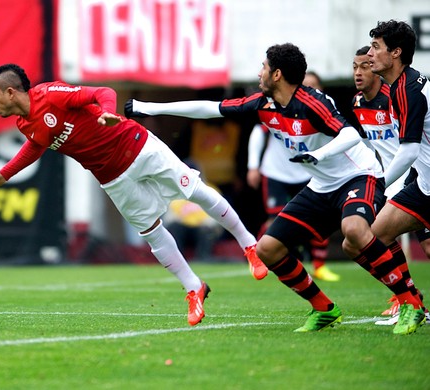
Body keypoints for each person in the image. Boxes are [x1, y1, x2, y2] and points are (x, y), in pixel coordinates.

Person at [125, 43, 425, 334]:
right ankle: (324, 309)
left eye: (264, 68)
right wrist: (148, 107)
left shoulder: (311, 102)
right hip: (321, 185)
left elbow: (349, 134)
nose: (259, 74)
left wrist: (318, 155)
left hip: (359, 175)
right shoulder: (263, 103)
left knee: (355, 231)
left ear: (277, 74)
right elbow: (209, 108)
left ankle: (411, 303)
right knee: (267, 249)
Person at [0, 64, 268, 327]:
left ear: (10, 92)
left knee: (196, 191)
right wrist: (5, 174)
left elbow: (102, 91)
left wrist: (108, 114)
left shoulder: (49, 94)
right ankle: (194, 287)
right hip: (112, 177)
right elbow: (37, 144)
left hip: (138, 147)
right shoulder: (25, 123)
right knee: (151, 231)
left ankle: (249, 245)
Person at [246, 71, 340, 282]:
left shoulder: (324, 110)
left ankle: (319, 267)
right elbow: (258, 133)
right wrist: (253, 166)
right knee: (274, 219)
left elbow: (343, 137)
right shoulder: (280, 107)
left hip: (310, 173)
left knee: (319, 220)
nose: (309, 90)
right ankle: (259, 255)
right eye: (305, 85)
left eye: (314, 86)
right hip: (276, 172)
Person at [366, 20, 430, 330]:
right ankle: (412, 303)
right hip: (423, 183)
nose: (369, 54)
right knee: (374, 236)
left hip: (425, 184)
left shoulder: (407, 88)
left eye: (376, 47)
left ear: (396, 53)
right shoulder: (402, 86)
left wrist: (377, 187)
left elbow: (407, 150)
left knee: (371, 238)